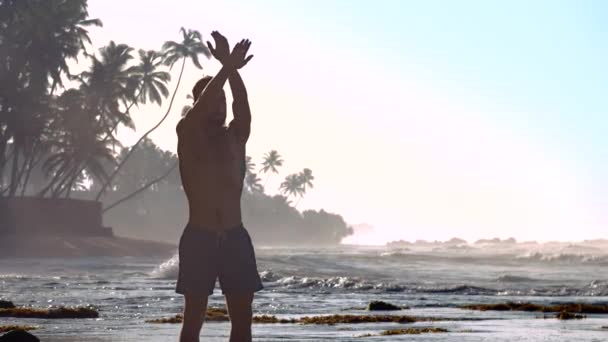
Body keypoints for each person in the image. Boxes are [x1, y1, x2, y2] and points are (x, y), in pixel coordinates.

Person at [175, 31, 263, 342]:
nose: (218, 107)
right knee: (194, 320)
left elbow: (242, 104)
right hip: (199, 238)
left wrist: (233, 70)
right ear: (200, 105)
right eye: (212, 101)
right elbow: (198, 113)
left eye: (221, 101)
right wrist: (225, 68)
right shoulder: (188, 134)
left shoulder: (235, 137)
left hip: (235, 236)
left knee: (242, 321)